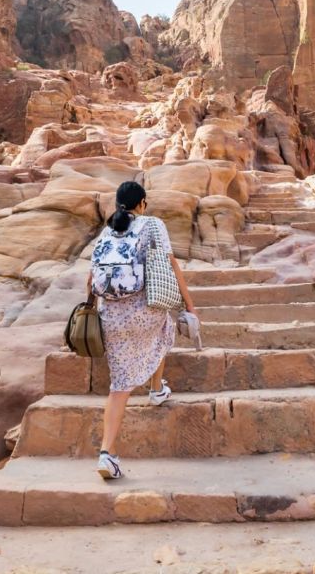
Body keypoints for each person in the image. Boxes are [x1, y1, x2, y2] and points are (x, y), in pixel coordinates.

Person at [87, 180, 197, 480]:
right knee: (164, 329)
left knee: (119, 386)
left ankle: (106, 454)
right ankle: (156, 388)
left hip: (112, 315)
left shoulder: (108, 229)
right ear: (143, 203)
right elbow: (171, 264)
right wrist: (189, 305)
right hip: (145, 308)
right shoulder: (152, 224)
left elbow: (92, 274)